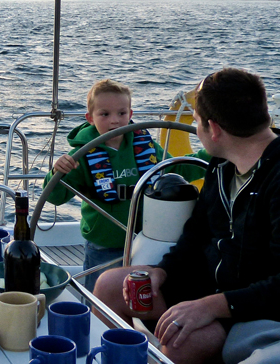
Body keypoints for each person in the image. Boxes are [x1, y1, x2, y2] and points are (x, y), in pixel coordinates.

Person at [93, 68, 280, 364]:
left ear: (214, 129)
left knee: (183, 338)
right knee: (110, 285)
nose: (196, 128)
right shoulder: (221, 166)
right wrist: (162, 272)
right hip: (207, 286)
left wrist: (213, 306)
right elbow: (195, 235)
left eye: (196, 120)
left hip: (254, 306)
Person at [43, 79, 207, 291]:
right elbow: (55, 196)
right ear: (90, 118)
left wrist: (209, 156)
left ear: (131, 115)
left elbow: (175, 168)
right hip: (104, 245)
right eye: (105, 114)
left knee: (141, 295)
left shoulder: (145, 146)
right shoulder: (81, 156)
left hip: (145, 241)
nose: (115, 121)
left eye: (121, 114)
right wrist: (58, 172)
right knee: (99, 296)